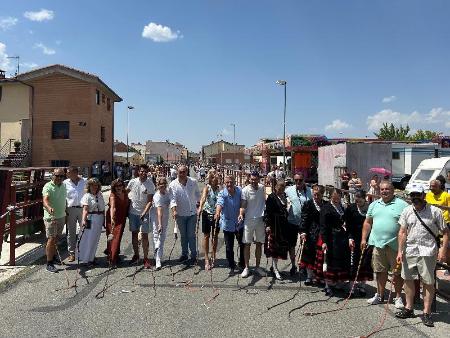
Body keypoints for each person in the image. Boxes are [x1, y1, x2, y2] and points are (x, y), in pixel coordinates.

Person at [395, 185, 449, 327]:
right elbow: (402, 232)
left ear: (424, 195)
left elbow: (446, 232)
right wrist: (400, 251)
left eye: (418, 194)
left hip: (427, 251)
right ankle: (409, 308)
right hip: (410, 250)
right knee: (408, 280)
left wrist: (443, 251)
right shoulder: (407, 211)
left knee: (428, 282)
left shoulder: (435, 211)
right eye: (412, 195)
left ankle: (426, 312)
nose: (415, 197)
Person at [361, 180, 408, 308]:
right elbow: (367, 222)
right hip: (378, 244)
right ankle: (380, 295)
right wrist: (364, 239)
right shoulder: (374, 205)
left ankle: (398, 297)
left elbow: (407, 226)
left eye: (387, 189)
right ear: (379, 191)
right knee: (380, 271)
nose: (384, 191)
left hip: (395, 246)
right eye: (382, 189)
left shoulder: (403, 205)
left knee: (397, 273)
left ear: (393, 190)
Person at [319, 188, 350, 296]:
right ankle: (328, 285)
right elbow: (323, 225)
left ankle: (337, 282)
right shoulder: (326, 208)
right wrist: (324, 241)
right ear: (331, 196)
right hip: (330, 238)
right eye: (335, 197)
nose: (337, 199)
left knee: (339, 261)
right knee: (329, 261)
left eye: (338, 197)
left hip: (340, 238)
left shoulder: (341, 206)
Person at [169, 165, 201, 263]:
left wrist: (199, 205)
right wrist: (174, 210)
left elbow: (197, 194)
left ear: (187, 172)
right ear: (177, 173)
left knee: (191, 235)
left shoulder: (193, 181)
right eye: (180, 172)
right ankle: (184, 254)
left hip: (192, 214)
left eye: (184, 172)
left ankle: (194, 255)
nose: (182, 174)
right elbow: (172, 199)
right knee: (183, 235)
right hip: (180, 214)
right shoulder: (173, 184)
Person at [126, 164, 155, 269]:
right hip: (133, 212)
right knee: (134, 234)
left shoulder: (150, 184)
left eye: (145, 171)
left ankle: (146, 258)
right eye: (141, 171)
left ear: (148, 172)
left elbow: (150, 201)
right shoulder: (132, 182)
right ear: (138, 171)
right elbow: (125, 193)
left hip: (144, 213)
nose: (143, 173)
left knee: (144, 236)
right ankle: (136, 255)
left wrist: (144, 212)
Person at [345, 190, 373, 297]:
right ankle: (351, 286)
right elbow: (348, 225)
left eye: (359, 199)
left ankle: (362, 286)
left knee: (365, 263)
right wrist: (350, 238)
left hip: (368, 239)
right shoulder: (351, 208)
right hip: (355, 239)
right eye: (356, 199)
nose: (357, 202)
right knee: (354, 263)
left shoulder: (370, 208)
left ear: (364, 198)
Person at [239, 171, 266, 278]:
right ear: (249, 179)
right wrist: (241, 214)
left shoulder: (262, 187)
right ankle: (246, 267)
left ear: (259, 179)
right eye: (252, 179)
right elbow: (243, 204)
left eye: (256, 179)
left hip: (260, 219)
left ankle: (258, 267)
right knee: (247, 244)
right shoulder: (245, 190)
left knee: (259, 243)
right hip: (249, 220)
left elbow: (264, 201)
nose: (254, 181)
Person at [215, 175, 243, 274]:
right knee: (229, 247)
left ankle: (242, 263)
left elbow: (243, 202)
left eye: (231, 182)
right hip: (228, 224)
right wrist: (217, 212)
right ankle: (231, 264)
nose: (229, 184)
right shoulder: (222, 193)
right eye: (227, 182)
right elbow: (219, 203)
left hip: (239, 223)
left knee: (242, 244)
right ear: (224, 183)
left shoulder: (239, 191)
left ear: (235, 182)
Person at [285, 173, 312, 275]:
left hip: (305, 224)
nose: (298, 182)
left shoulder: (310, 191)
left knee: (305, 245)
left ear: (304, 180)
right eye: (296, 180)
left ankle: (303, 266)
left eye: (300, 180)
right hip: (292, 222)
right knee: (291, 245)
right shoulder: (288, 190)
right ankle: (293, 265)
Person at [299, 184, 326, 285]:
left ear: (322, 195)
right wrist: (303, 232)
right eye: (314, 194)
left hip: (322, 233)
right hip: (310, 232)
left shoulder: (326, 204)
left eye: (318, 194)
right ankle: (309, 276)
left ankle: (319, 276)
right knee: (309, 254)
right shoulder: (308, 204)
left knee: (321, 255)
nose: (316, 196)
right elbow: (304, 218)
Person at [42, 168, 67, 273]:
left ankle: (53, 256)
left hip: (61, 216)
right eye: (57, 176)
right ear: (53, 175)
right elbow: (45, 200)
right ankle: (49, 263)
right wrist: (48, 207)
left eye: (62, 176)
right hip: (51, 217)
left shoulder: (64, 185)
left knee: (57, 238)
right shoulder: (48, 186)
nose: (60, 178)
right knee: (51, 239)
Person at [264, 179, 290, 280]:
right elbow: (268, 212)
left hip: (283, 225)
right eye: (280, 186)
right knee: (274, 248)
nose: (281, 188)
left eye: (283, 187)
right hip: (274, 225)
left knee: (280, 248)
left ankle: (274, 267)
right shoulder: (271, 197)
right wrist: (268, 225)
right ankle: (275, 269)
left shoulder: (285, 197)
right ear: (276, 187)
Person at [79, 178, 105, 266]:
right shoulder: (87, 196)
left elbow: (103, 208)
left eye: (96, 185)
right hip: (91, 219)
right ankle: (86, 259)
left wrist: (104, 220)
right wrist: (83, 220)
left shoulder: (99, 195)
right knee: (88, 239)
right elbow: (85, 210)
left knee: (95, 240)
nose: (94, 187)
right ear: (89, 186)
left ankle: (91, 257)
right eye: (92, 185)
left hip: (99, 219)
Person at [198, 174, 221, 270]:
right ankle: (206, 258)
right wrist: (200, 207)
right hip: (207, 213)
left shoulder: (220, 189)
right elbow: (203, 198)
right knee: (206, 236)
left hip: (217, 214)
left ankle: (213, 256)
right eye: (212, 178)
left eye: (216, 178)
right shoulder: (207, 188)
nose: (214, 179)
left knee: (215, 236)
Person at [63, 166, 86, 262]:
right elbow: (63, 196)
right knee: (71, 232)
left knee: (84, 231)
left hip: (82, 209)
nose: (67, 174)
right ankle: (71, 253)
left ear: (76, 172)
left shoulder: (84, 181)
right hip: (70, 209)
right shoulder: (65, 183)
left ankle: (83, 252)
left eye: (69, 172)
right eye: (67, 173)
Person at [105, 179, 129, 266]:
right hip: (113, 218)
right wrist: (112, 218)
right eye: (116, 186)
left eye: (120, 185)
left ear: (123, 186)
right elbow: (112, 207)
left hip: (122, 218)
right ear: (113, 187)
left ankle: (114, 254)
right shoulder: (112, 195)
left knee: (118, 238)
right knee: (114, 239)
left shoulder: (125, 193)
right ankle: (112, 260)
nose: (119, 187)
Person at [151, 177, 171, 270]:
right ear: (157, 185)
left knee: (162, 237)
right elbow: (159, 211)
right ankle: (158, 260)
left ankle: (158, 256)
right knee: (157, 236)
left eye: (163, 183)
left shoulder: (167, 193)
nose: (162, 185)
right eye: (160, 184)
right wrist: (159, 224)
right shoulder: (157, 196)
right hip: (157, 218)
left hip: (165, 218)